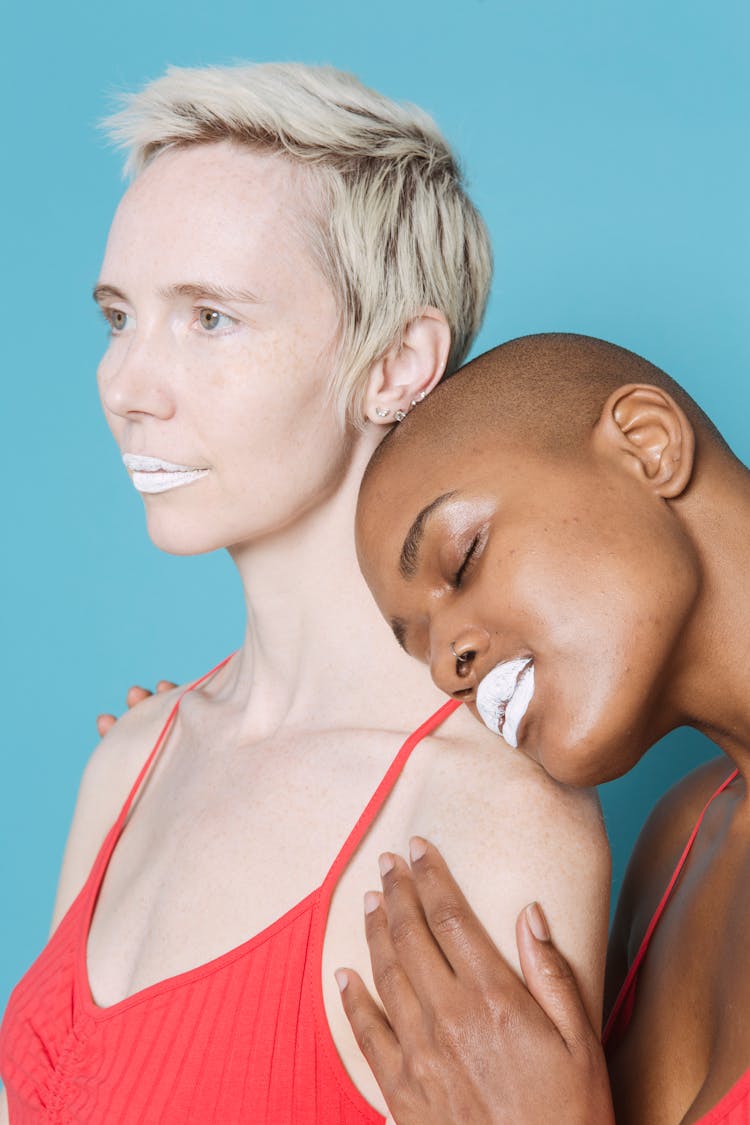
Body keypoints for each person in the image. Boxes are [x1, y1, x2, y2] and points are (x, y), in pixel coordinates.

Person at [0, 70, 608, 1124]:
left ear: (396, 365)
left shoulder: (492, 818)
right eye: (118, 317)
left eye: (210, 318)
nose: (126, 385)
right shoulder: (128, 762)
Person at [343, 330, 750, 1124]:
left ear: (647, 444)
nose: (447, 666)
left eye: (462, 561)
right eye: (420, 645)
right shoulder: (682, 842)